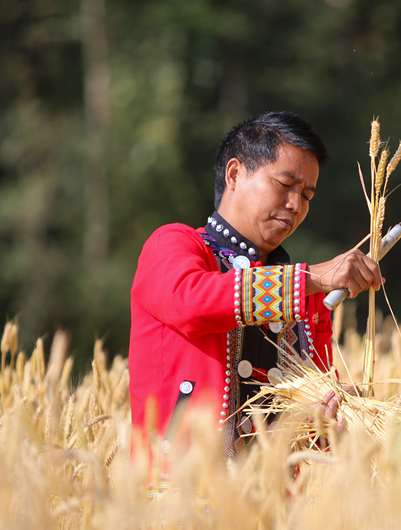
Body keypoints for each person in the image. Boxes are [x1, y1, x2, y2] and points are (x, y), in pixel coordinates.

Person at [128, 111, 383, 459]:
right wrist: (313, 277)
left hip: (270, 504)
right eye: (284, 185)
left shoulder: (307, 302)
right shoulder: (174, 244)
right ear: (235, 174)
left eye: (307, 195)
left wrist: (330, 418)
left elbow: (308, 429)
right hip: (180, 498)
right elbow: (191, 303)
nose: (295, 205)